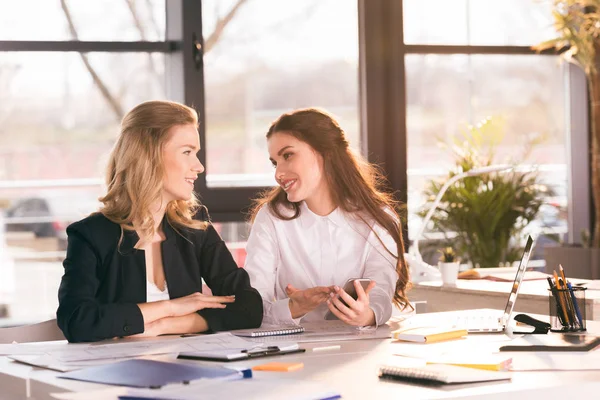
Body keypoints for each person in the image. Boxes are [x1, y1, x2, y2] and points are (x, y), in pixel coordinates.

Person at [56, 100, 263, 343]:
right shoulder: (90, 235)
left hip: (188, 371)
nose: (199, 166)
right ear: (149, 155)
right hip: (116, 374)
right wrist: (171, 307)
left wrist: (167, 325)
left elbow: (248, 307)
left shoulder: (195, 228)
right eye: (187, 152)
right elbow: (77, 321)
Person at [244, 108, 410, 327]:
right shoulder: (271, 219)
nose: (278, 173)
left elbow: (380, 293)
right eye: (275, 163)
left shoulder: (377, 217)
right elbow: (253, 306)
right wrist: (293, 308)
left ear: (325, 153)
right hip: (294, 350)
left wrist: (366, 315)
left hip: (359, 347)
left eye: (288, 156)